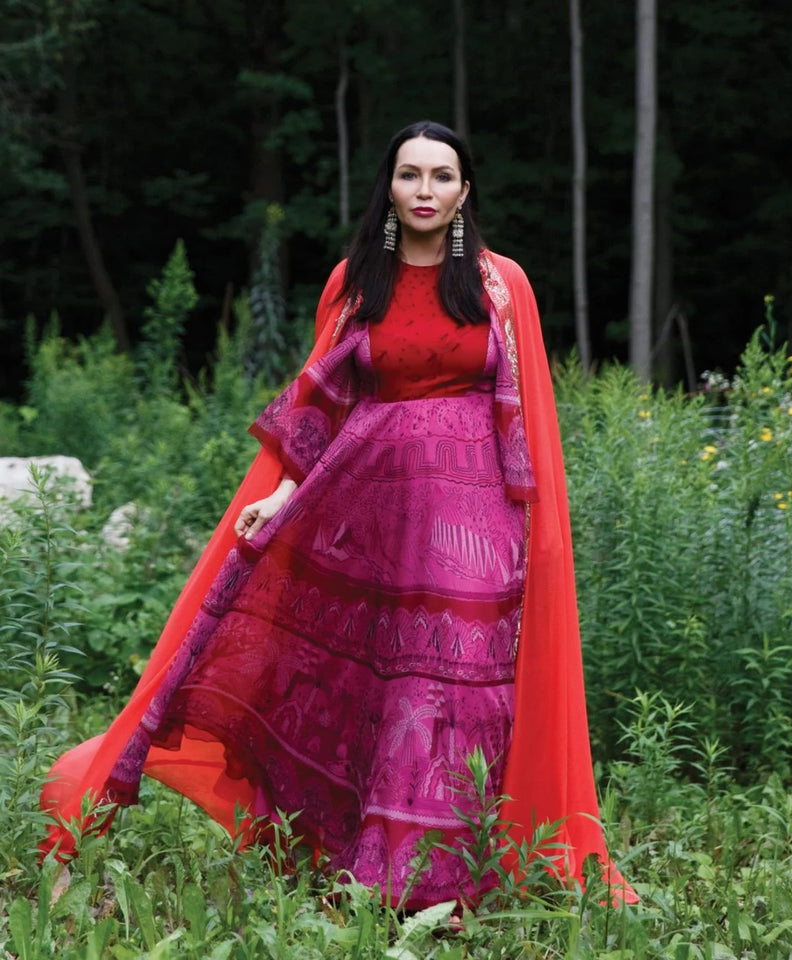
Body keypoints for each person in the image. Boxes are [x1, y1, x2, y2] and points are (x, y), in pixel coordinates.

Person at [41, 120, 634, 908]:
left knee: (458, 689)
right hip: (372, 517)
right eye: (411, 176)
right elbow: (325, 401)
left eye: (442, 177)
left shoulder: (500, 285)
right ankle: (379, 870)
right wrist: (282, 495)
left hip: (475, 524)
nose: (425, 192)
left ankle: (450, 878)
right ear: (388, 187)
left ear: (465, 192)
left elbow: (528, 416)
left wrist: (536, 528)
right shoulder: (358, 282)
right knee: (382, 688)